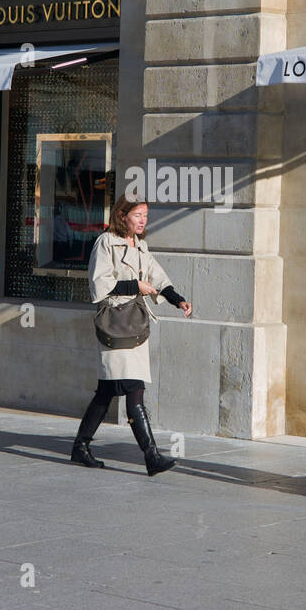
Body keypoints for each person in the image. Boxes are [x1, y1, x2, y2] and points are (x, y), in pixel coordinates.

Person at [71, 196, 192, 475]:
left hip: (134, 325)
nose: (142, 220)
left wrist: (178, 300)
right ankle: (151, 455)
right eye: (137, 215)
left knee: (108, 390)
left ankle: (80, 446)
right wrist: (134, 285)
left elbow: (158, 277)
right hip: (115, 324)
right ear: (122, 215)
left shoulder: (141, 246)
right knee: (134, 390)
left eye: (146, 215)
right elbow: (99, 285)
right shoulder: (105, 242)